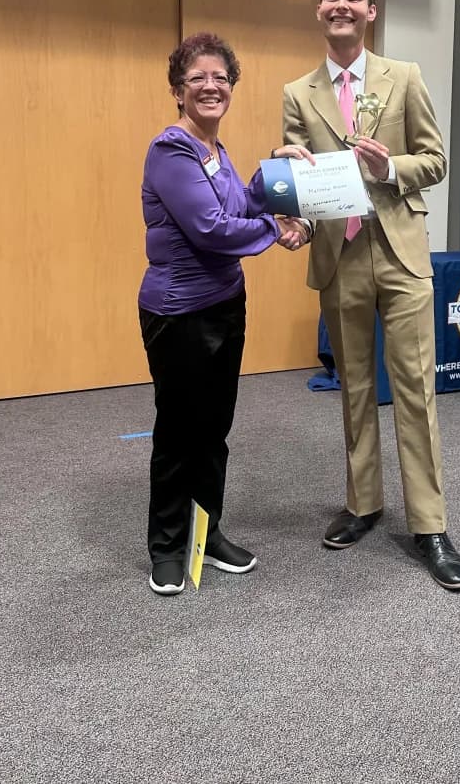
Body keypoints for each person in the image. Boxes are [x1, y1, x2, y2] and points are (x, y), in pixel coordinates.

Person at [281, 0, 460, 591]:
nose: (342, 5)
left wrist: (390, 168)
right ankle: (363, 504)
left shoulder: (404, 77)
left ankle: (430, 524)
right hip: (338, 256)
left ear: (370, 10)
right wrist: (291, 210)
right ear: (319, 9)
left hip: (399, 252)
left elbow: (436, 160)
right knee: (355, 387)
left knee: (415, 387)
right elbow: (298, 181)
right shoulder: (297, 93)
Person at [138, 32, 311, 596]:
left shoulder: (216, 151)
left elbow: (239, 204)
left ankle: (206, 534)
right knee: (178, 431)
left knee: (214, 430)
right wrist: (275, 229)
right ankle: (168, 547)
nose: (211, 86)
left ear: (231, 87)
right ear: (178, 91)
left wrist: (273, 170)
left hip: (225, 305)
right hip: (178, 312)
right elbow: (211, 229)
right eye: (198, 79)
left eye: (221, 78)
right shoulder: (172, 151)